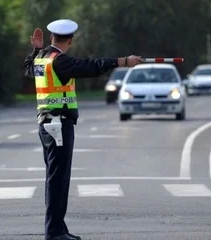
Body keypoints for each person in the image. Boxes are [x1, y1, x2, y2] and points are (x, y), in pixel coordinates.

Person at [24, 19, 143, 240]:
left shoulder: (42, 58)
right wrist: (123, 61)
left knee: (55, 178)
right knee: (58, 180)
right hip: (59, 124)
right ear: (70, 39)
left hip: (47, 124)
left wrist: (35, 49)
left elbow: (28, 72)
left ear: (52, 38)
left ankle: (58, 229)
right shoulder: (59, 61)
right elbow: (91, 66)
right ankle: (54, 232)